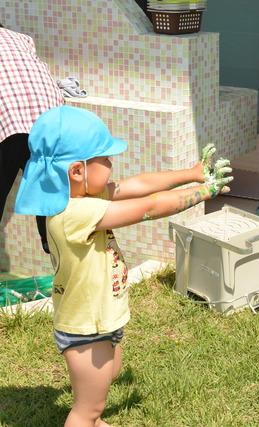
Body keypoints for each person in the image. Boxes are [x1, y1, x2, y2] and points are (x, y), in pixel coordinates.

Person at [13, 105, 233, 427]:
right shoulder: (74, 214)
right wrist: (202, 193)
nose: (111, 164)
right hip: (87, 328)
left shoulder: (79, 196)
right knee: (87, 409)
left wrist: (192, 173)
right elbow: (147, 207)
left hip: (98, 318)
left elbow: (140, 185)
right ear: (77, 171)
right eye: (104, 159)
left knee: (110, 373)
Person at [0, 23, 64, 253]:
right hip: (49, 119)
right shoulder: (21, 39)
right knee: (48, 199)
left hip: (9, 120)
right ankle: (55, 254)